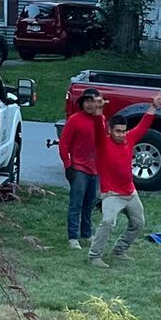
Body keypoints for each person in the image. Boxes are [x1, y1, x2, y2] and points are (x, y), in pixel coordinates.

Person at [89, 103, 157, 267]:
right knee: (107, 222)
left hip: (130, 193)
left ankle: (119, 250)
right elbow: (98, 128)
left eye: (123, 131)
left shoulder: (129, 139)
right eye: (117, 131)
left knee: (138, 223)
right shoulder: (103, 143)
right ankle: (94, 256)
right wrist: (99, 112)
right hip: (112, 194)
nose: (121, 135)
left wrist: (154, 106)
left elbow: (143, 125)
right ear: (110, 131)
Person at [58, 88, 106, 249]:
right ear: (82, 103)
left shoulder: (101, 119)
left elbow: (101, 141)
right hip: (78, 168)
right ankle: (73, 237)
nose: (90, 105)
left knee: (89, 203)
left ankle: (87, 233)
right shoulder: (74, 120)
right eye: (87, 101)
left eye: (93, 101)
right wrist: (68, 164)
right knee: (76, 203)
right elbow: (64, 144)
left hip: (95, 169)